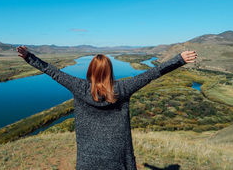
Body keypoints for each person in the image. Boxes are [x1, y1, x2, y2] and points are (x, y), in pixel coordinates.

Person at [17, 46, 197, 170]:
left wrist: (28, 57)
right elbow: (152, 73)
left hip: (88, 159)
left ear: (90, 70)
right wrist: (179, 60)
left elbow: (52, 71)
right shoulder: (123, 89)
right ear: (110, 71)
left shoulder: (78, 87)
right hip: (118, 157)